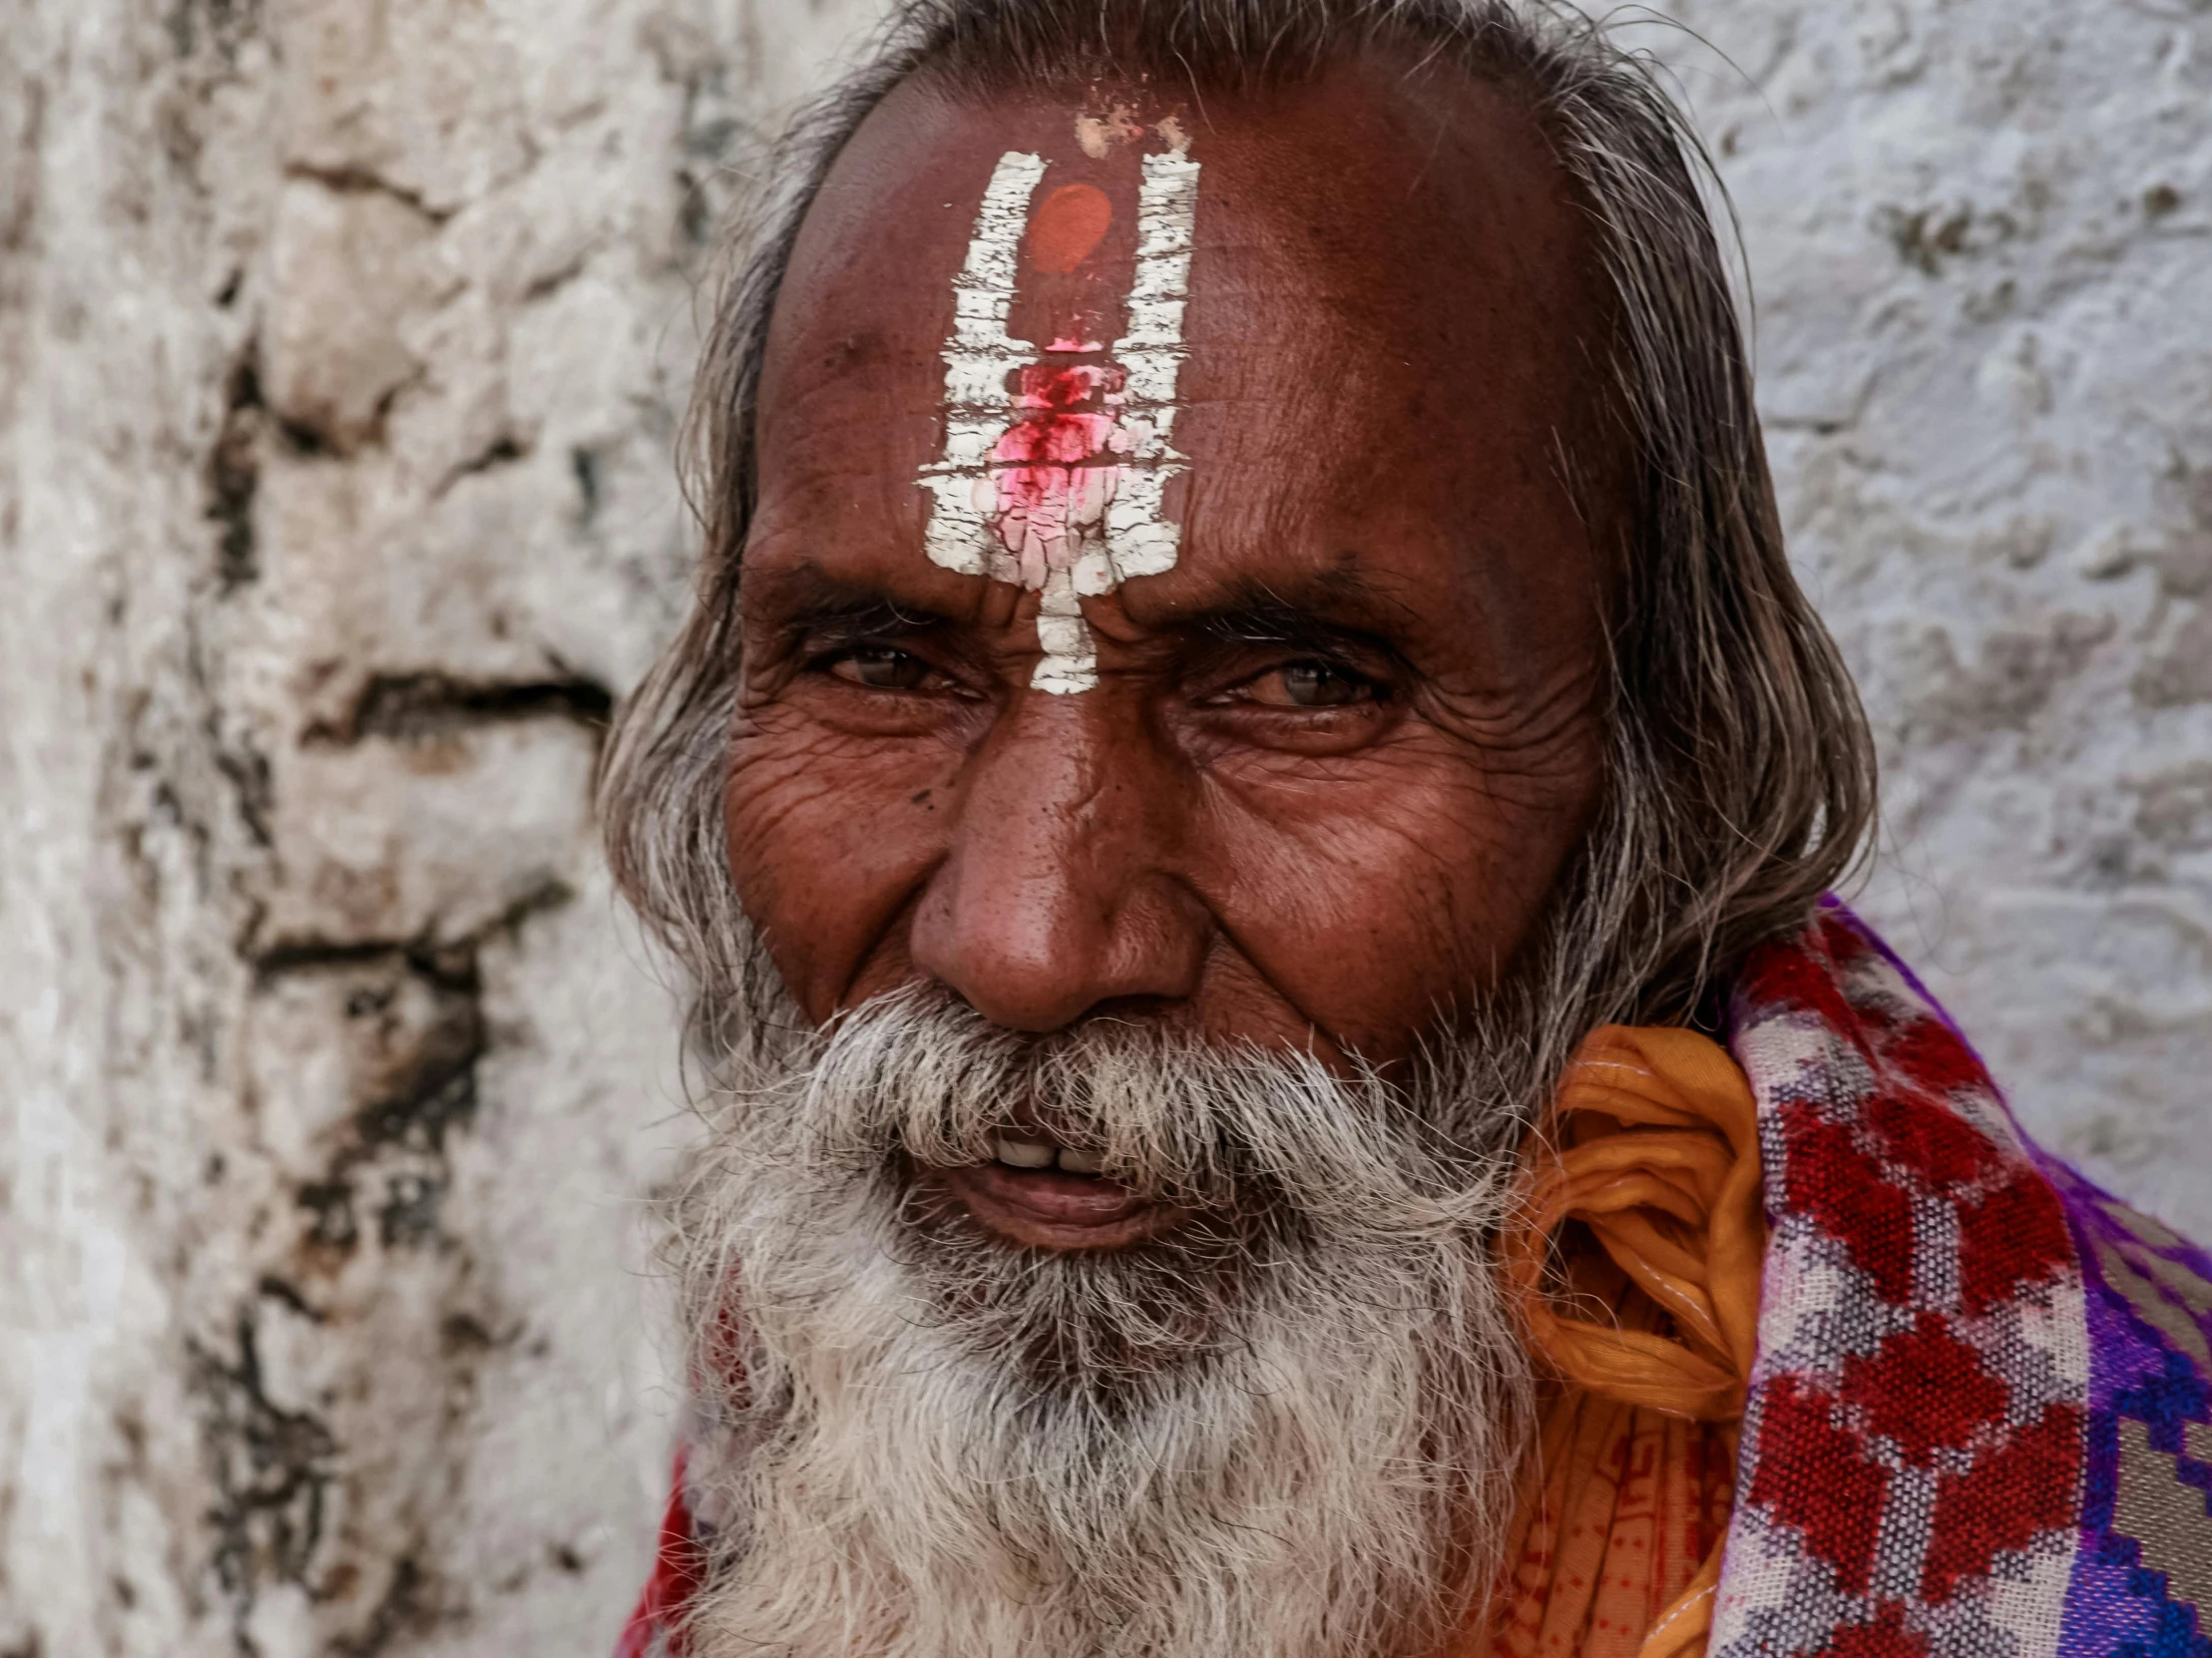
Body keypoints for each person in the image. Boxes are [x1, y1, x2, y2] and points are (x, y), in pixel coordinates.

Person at [596, 3, 2212, 1655]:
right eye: (880, 662)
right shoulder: (810, 1429)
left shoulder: (2145, 1555)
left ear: (1666, 764)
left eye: (1304, 684)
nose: (1027, 941)